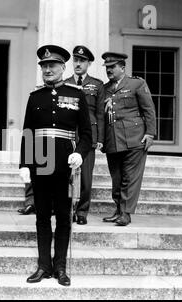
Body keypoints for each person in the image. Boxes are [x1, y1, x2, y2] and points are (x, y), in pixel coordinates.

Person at [19, 45, 92, 286]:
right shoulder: (35, 96)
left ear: (63, 68)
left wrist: (80, 154)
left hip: (65, 166)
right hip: (40, 165)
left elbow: (87, 135)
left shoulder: (77, 94)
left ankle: (60, 267)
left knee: (63, 216)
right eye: (44, 66)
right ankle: (43, 266)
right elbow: (27, 132)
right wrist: (25, 164)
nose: (48, 69)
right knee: (41, 217)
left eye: (52, 65)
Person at [101, 52, 156, 226]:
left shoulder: (136, 83)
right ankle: (118, 209)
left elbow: (149, 109)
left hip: (135, 139)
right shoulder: (104, 88)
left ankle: (126, 213)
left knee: (130, 178)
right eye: (107, 67)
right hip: (112, 140)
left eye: (112, 67)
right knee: (116, 178)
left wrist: (150, 133)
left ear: (122, 68)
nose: (109, 70)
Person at [65, 45, 105, 225]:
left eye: (82, 61)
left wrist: (99, 139)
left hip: (88, 135)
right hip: (68, 134)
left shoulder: (97, 85)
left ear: (88, 63)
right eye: (76, 60)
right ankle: (66, 209)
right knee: (66, 173)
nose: (78, 64)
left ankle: (82, 212)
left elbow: (100, 114)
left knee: (86, 177)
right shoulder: (65, 83)